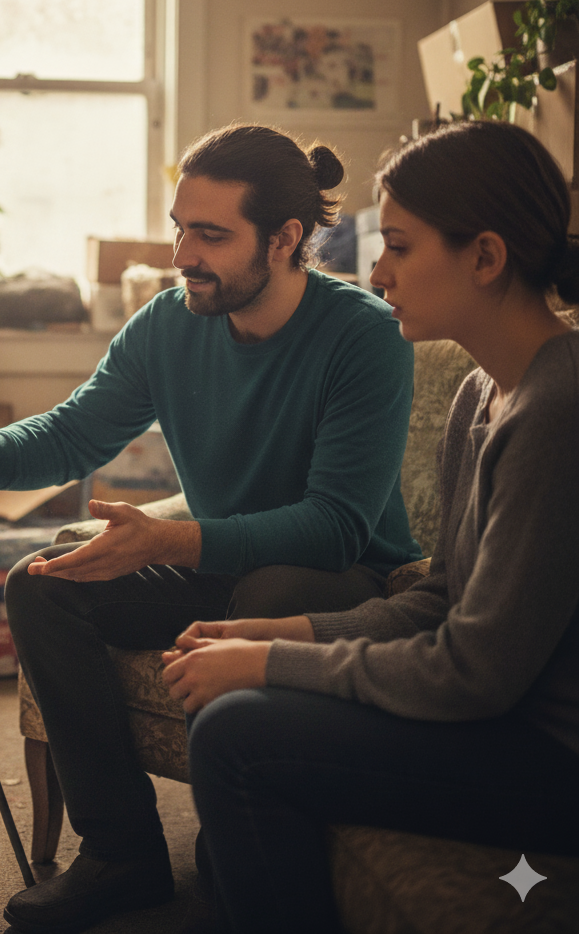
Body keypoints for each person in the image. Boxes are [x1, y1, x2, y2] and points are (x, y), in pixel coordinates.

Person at [0, 123, 422, 934]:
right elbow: (73, 432)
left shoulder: (364, 335)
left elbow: (336, 529)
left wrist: (174, 541)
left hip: (336, 581)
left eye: (210, 234)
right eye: (179, 226)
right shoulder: (170, 323)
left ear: (284, 239)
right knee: (42, 586)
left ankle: (239, 826)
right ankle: (123, 854)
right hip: (218, 561)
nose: (181, 255)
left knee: (269, 586)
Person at [162, 119, 579, 933]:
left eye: (398, 246)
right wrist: (273, 631)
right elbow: (440, 601)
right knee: (234, 739)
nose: (377, 271)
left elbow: (472, 672)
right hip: (501, 716)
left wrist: (273, 664)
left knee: (237, 737)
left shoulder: (557, 411)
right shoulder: (481, 395)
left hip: (552, 758)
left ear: (486, 258)